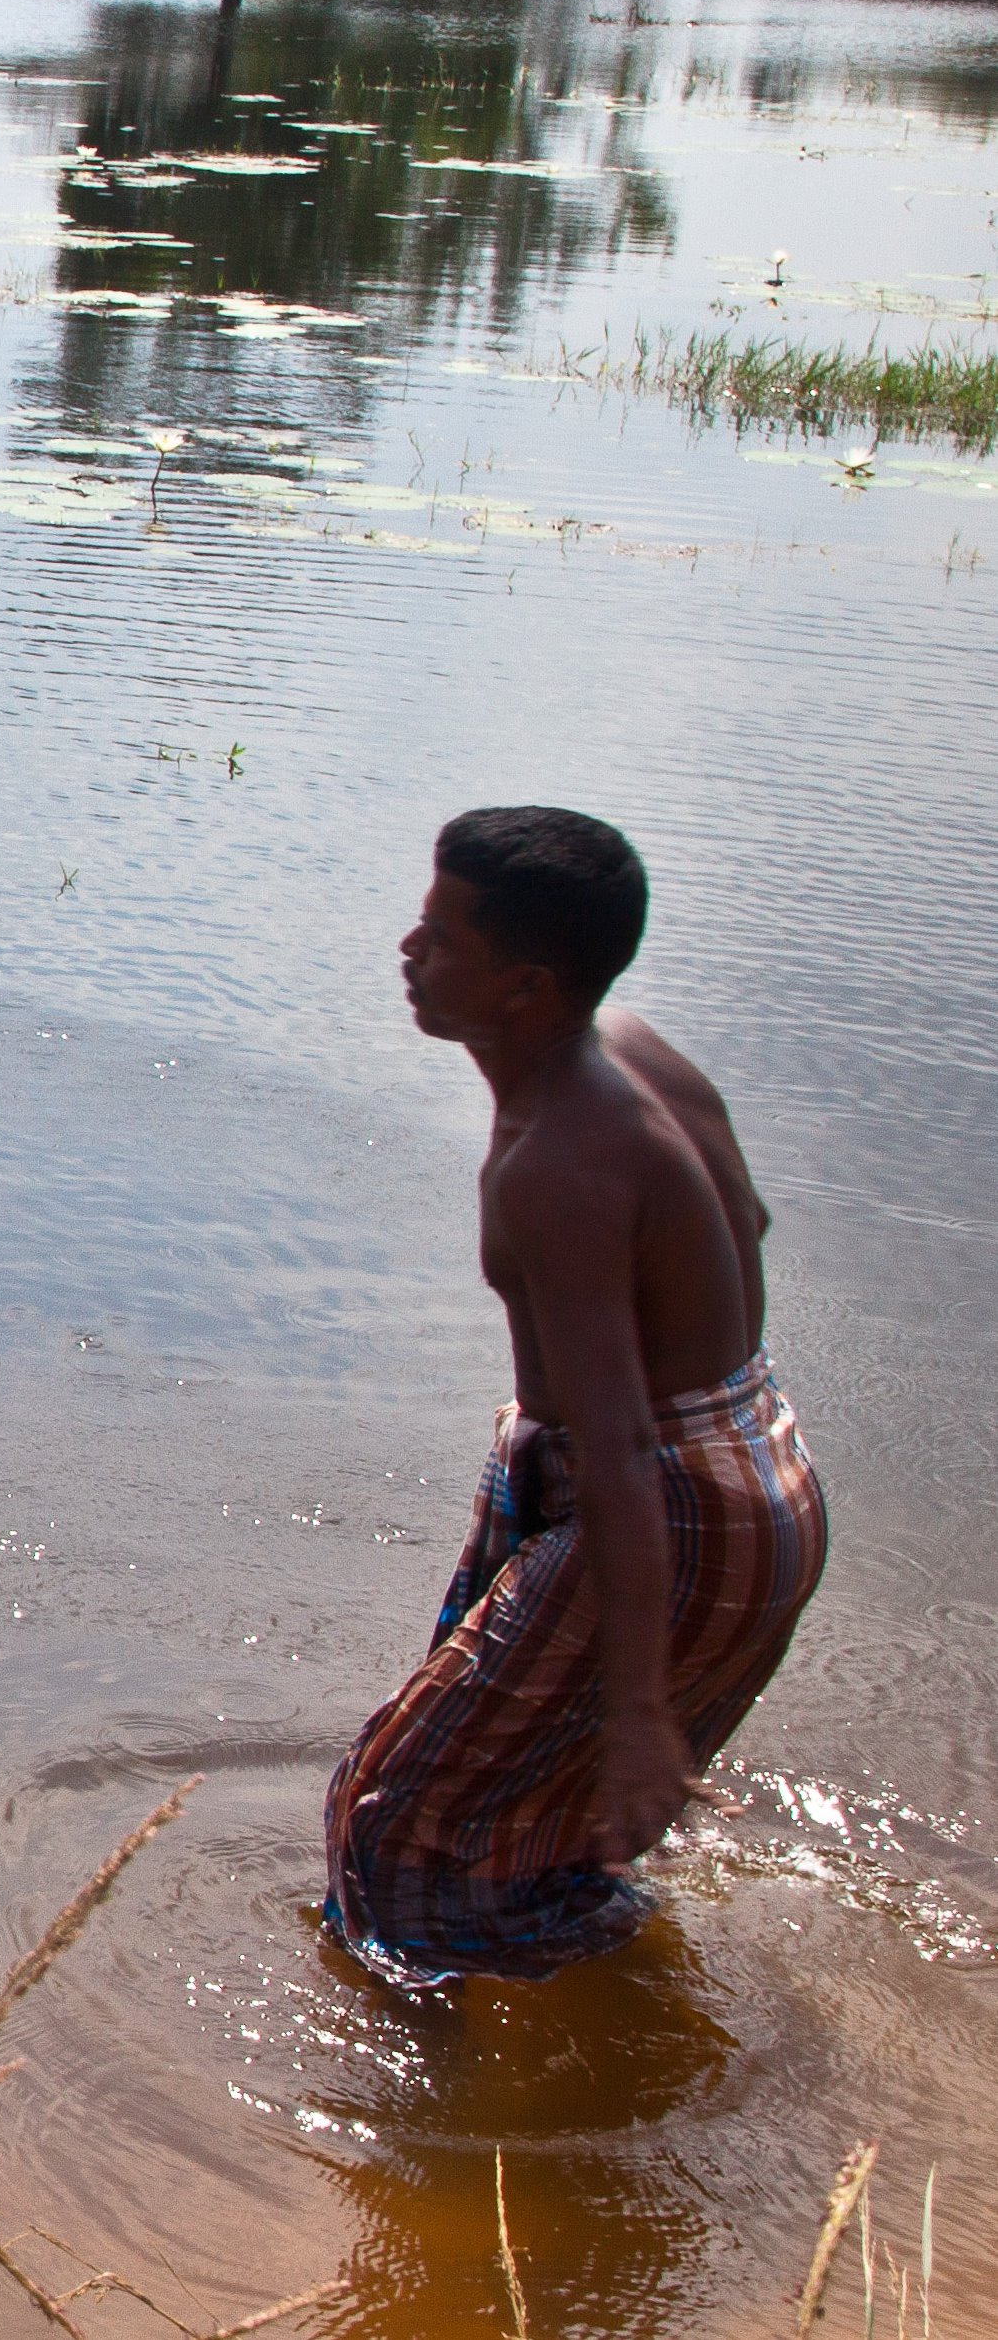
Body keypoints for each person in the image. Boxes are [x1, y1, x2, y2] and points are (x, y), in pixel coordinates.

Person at [322, 807, 827, 1987]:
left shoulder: (557, 1157)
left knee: (394, 1823)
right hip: (758, 1466)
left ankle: (459, 2132)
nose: (406, 947)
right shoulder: (631, 1051)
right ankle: (614, 2017)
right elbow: (744, 1225)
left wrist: (640, 1714)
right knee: (528, 1827)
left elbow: (616, 1445)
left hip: (670, 1509)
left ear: (527, 986)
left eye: (442, 938)